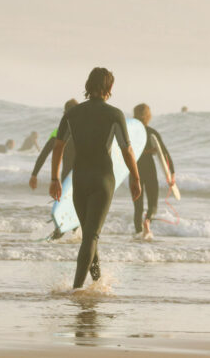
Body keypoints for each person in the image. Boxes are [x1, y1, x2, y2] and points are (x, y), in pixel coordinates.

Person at [49, 67, 142, 289]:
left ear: (88, 85)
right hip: (102, 180)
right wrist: (135, 178)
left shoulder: (72, 114)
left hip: (79, 178)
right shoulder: (114, 114)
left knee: (89, 235)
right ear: (109, 88)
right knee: (91, 235)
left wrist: (54, 179)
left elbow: (58, 146)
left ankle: (97, 282)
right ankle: (78, 289)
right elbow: (127, 150)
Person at [132, 103, 176, 239]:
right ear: (148, 116)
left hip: (134, 169)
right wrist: (172, 173)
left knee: (137, 207)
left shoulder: (131, 132)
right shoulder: (152, 132)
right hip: (149, 169)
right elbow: (165, 154)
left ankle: (139, 233)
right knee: (153, 204)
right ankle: (148, 222)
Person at [29, 99, 79, 190]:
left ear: (65, 114)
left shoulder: (58, 133)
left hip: (67, 180)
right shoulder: (85, 131)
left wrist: (34, 175)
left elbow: (44, 154)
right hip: (85, 179)